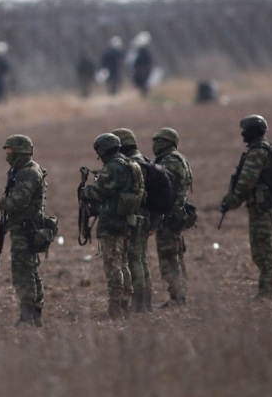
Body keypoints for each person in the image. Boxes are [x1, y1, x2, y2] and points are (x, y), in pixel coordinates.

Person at [80, 133, 144, 320]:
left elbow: (99, 192)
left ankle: (115, 307)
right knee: (123, 264)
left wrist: (84, 191)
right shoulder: (133, 165)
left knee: (113, 266)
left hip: (111, 223)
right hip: (128, 221)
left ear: (103, 150)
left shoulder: (112, 167)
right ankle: (125, 303)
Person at [220, 115, 272, 299]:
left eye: (245, 131)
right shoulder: (266, 149)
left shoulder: (257, 153)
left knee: (262, 250)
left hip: (262, 207)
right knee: (261, 248)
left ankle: (267, 291)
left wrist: (232, 201)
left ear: (253, 131)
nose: (243, 134)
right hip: (265, 206)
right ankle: (266, 289)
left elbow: (246, 182)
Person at [0, 134, 48, 327]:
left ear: (19, 151)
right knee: (30, 271)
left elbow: (17, 201)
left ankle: (28, 316)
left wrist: (3, 202)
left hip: (26, 229)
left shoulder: (28, 172)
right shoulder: (22, 170)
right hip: (24, 227)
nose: (7, 154)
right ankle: (34, 314)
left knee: (23, 273)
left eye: (9, 150)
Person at [111, 128, 154, 312]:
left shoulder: (133, 164)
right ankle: (146, 301)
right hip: (145, 217)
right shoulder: (144, 160)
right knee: (141, 259)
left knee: (134, 259)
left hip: (135, 217)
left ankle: (140, 303)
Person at [152, 127, 194, 307]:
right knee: (176, 256)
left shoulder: (169, 161)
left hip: (169, 217)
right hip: (177, 215)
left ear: (165, 142)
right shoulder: (180, 159)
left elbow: (164, 191)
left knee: (169, 258)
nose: (154, 144)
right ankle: (179, 296)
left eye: (157, 140)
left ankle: (177, 297)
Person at [130, 31, 153, 97]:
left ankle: (144, 92)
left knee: (143, 81)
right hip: (143, 68)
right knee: (143, 81)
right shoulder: (143, 51)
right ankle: (144, 92)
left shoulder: (141, 52)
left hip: (143, 68)